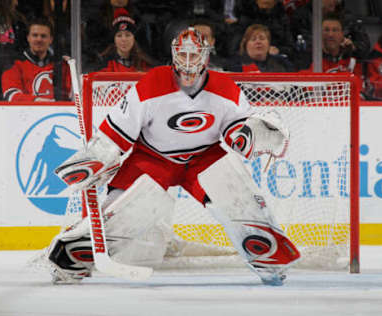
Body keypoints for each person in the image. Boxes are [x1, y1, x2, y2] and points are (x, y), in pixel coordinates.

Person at [46, 27, 300, 285]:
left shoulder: (226, 88)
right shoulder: (152, 83)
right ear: (173, 55)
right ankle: (70, 260)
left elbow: (238, 130)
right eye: (183, 55)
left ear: (206, 57)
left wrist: (251, 134)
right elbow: (116, 133)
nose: (188, 63)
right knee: (122, 214)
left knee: (241, 203)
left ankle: (269, 261)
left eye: (194, 56)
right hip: (153, 157)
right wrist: (96, 159)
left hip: (204, 158)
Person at [1, 17, 71, 102]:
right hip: (25, 114)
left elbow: (73, 94)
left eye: (43, 36)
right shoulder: (14, 64)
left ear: (51, 39)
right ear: (28, 38)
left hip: (58, 114)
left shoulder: (62, 65)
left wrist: (72, 66)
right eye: (35, 35)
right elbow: (11, 95)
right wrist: (39, 102)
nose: (39, 39)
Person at [290, 0, 370, 70]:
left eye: (335, 30)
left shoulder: (348, 17)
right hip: (313, 63)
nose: (334, 1)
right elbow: (298, 45)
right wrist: (325, 45)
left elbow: (364, 46)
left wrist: (353, 47)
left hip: (344, 64)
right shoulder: (301, 16)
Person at [97, 8, 158, 72]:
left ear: (134, 38)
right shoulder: (103, 63)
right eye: (119, 35)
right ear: (114, 39)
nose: (124, 39)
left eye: (128, 35)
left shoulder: (145, 63)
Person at [226, 24, 294, 73]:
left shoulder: (282, 63)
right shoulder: (235, 65)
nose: (258, 42)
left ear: (268, 43)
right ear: (245, 44)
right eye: (253, 39)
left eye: (262, 38)